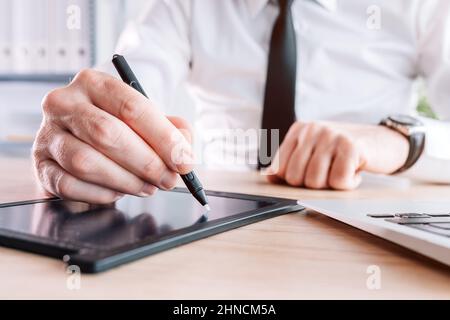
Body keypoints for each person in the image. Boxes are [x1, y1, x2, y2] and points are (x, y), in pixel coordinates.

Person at [32, 0, 450, 204]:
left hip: (369, 215)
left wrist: (399, 140)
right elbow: (120, 86)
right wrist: (82, 127)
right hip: (224, 215)